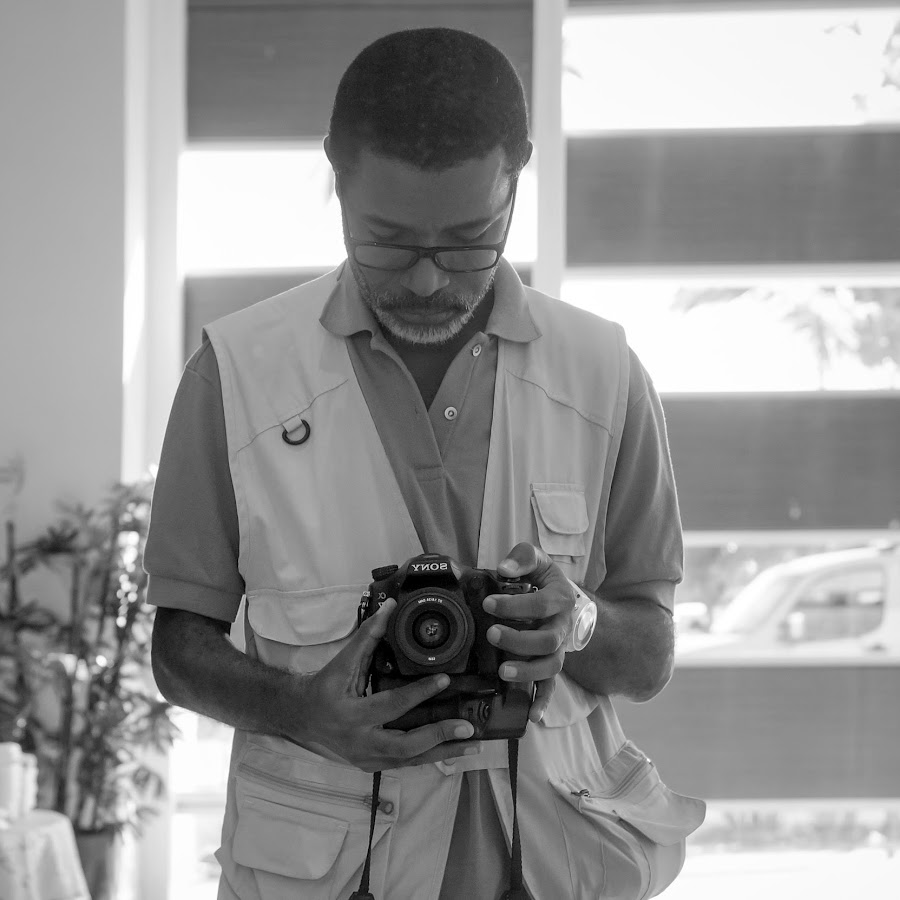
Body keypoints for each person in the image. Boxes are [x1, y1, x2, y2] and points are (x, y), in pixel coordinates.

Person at [146, 27, 703, 900]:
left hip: (560, 867)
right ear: (337, 181)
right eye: (388, 240)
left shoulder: (606, 374)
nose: (429, 281)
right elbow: (178, 648)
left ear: (516, 179)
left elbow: (650, 656)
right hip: (326, 876)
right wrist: (301, 711)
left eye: (471, 239)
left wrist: (579, 622)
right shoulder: (235, 375)